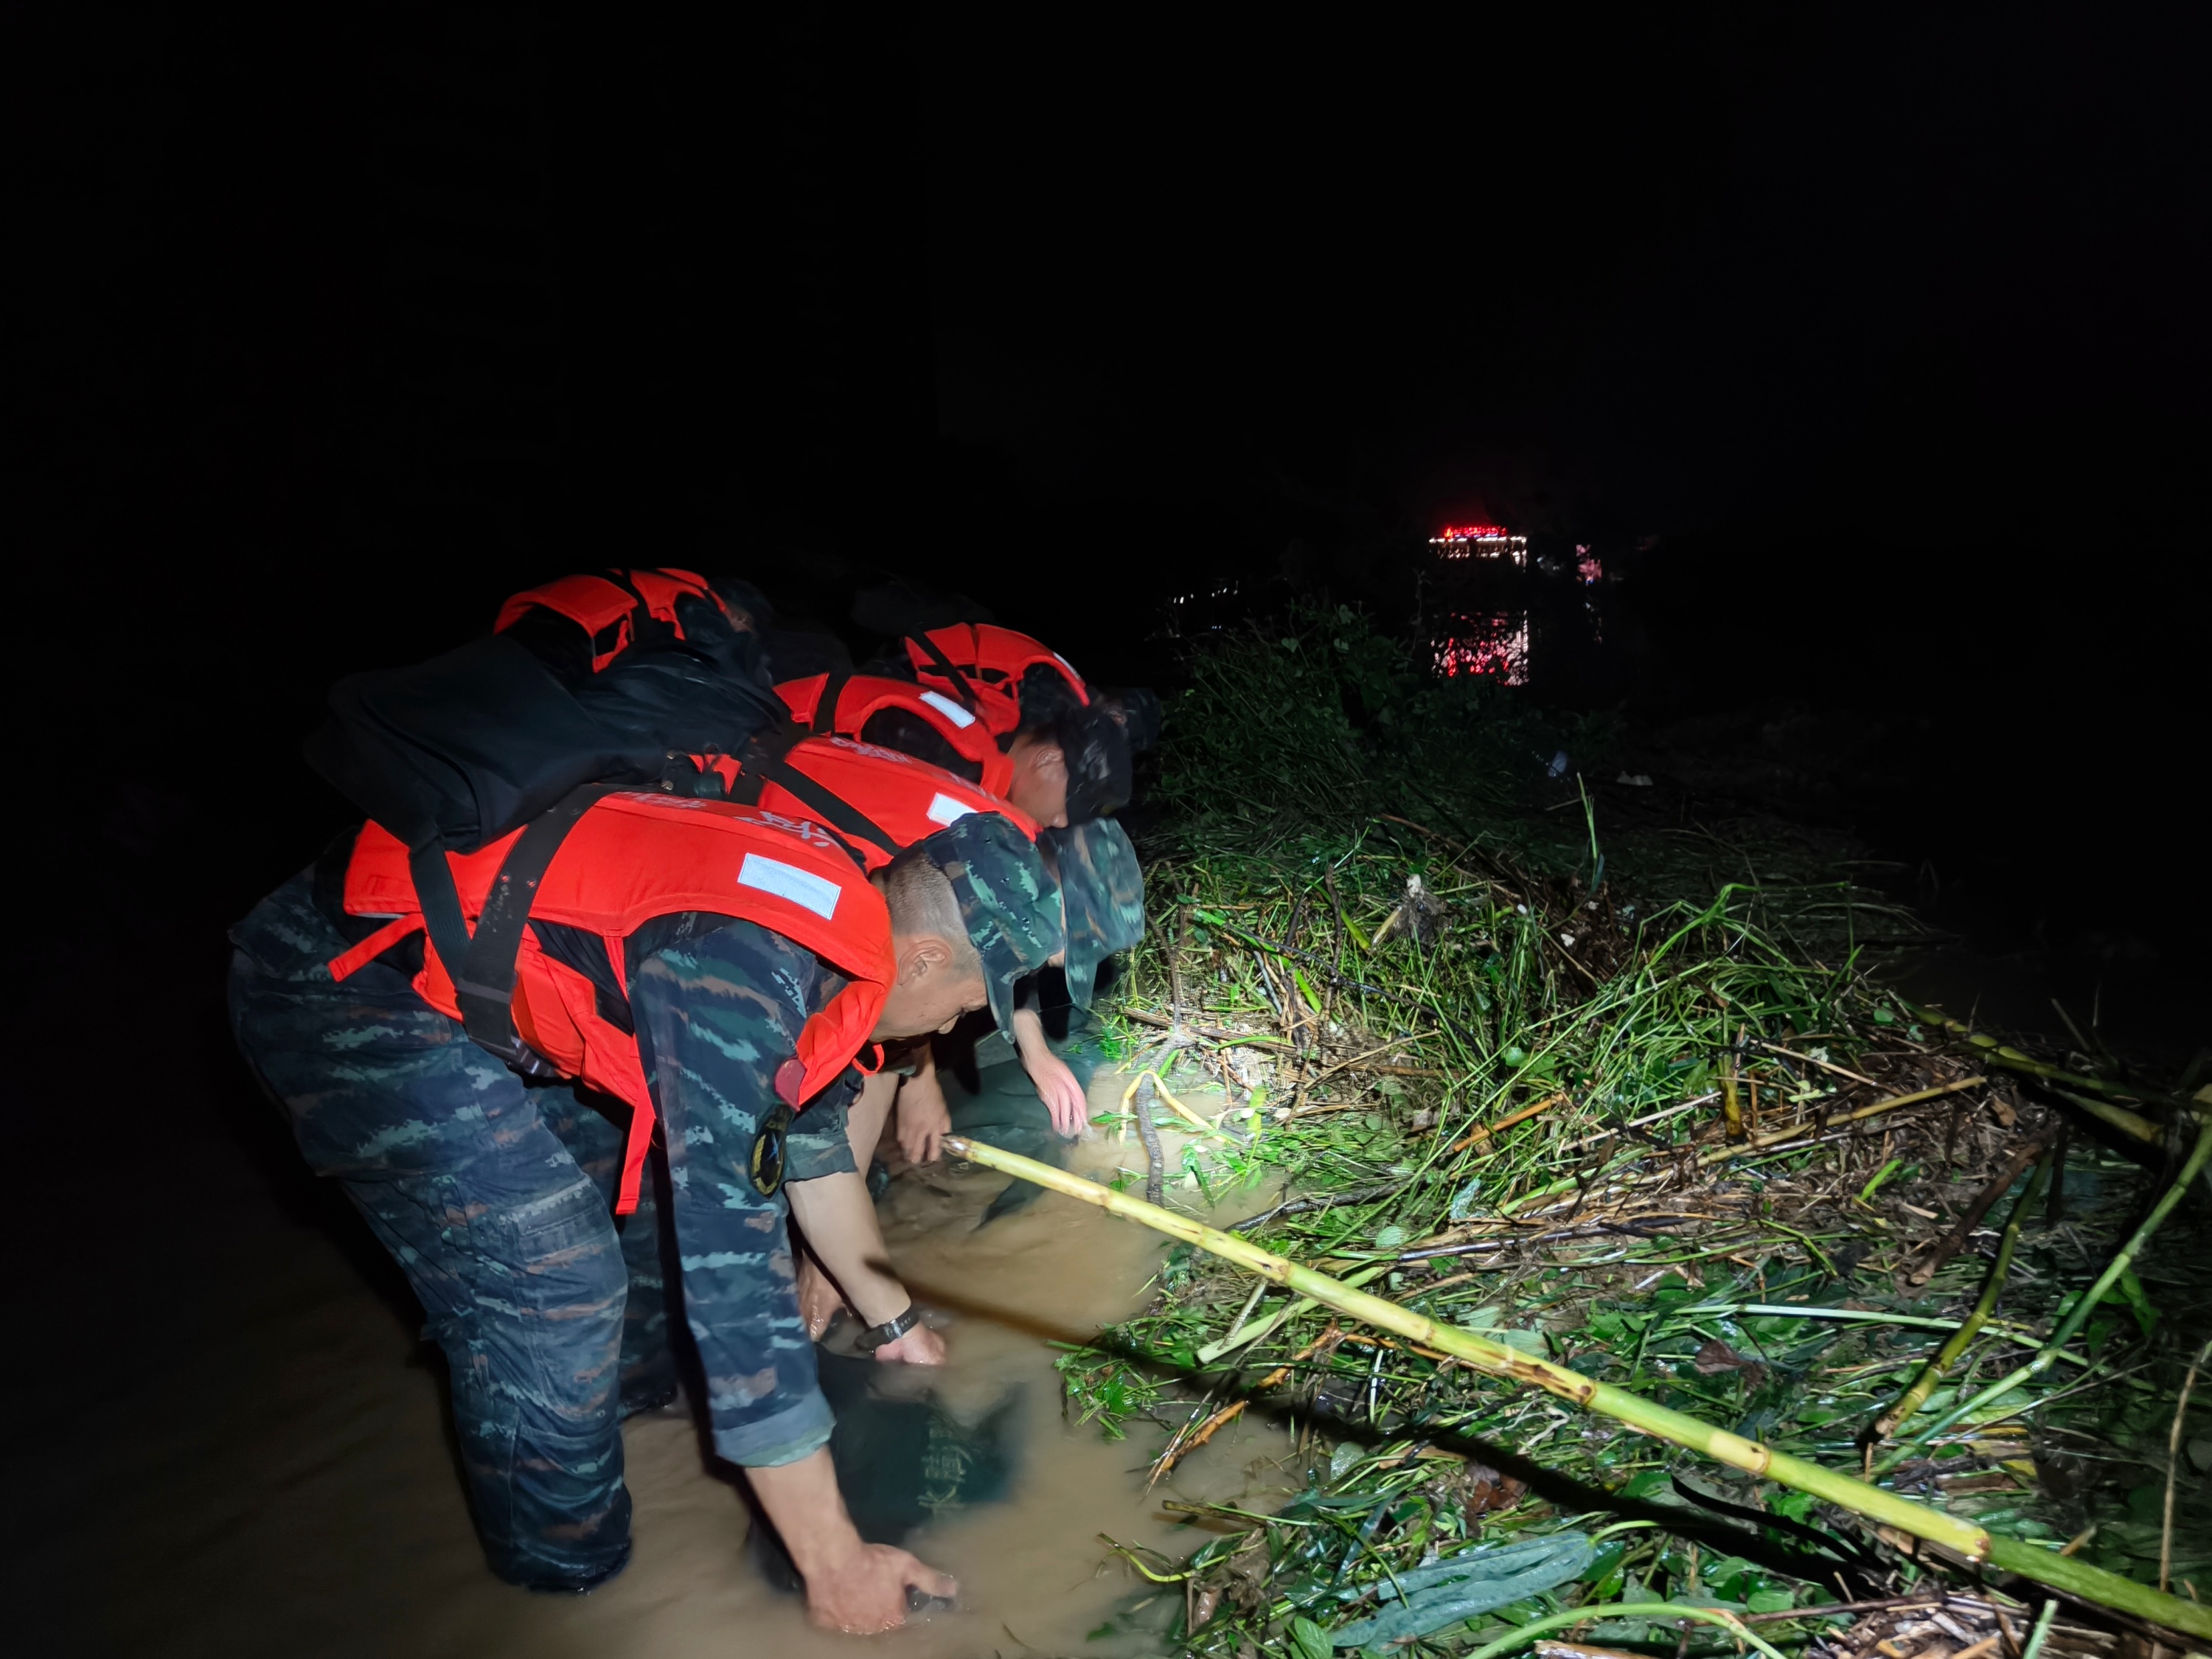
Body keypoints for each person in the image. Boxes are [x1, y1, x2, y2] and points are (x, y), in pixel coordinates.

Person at [229, 795, 1061, 1630]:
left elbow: (809, 1149)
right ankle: (560, 1583)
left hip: (486, 979)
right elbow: (734, 1277)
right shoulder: (745, 973)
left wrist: (898, 1325)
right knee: (556, 1283)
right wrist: (833, 1561)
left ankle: (628, 1415)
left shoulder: (844, 928)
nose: (954, 1028)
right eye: (962, 1004)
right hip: (345, 979)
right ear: (920, 961)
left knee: (634, 1224)